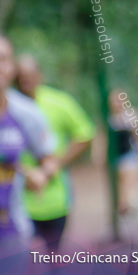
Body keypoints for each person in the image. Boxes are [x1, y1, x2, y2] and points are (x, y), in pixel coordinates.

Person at [14, 56, 94, 251]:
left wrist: (55, 164)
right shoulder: (8, 107)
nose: (26, 82)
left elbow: (85, 133)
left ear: (40, 75)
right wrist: (24, 172)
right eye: (21, 77)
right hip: (17, 200)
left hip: (55, 198)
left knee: (52, 255)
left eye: (30, 76)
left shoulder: (58, 102)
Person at [0, 36, 56, 259]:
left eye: (2, 59)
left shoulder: (27, 114)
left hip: (13, 232)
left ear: (12, 67)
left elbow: (48, 159)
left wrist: (42, 174)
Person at [107, 89, 138, 216]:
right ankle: (124, 203)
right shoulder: (108, 118)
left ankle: (126, 204)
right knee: (120, 182)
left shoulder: (131, 115)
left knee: (129, 180)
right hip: (116, 156)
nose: (116, 103)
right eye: (114, 100)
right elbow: (102, 137)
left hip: (131, 153)